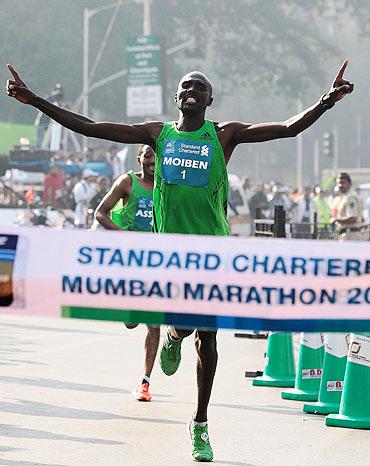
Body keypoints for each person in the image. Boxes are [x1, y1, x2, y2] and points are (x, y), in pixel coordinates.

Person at [6, 59, 354, 462]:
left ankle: (200, 423)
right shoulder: (159, 134)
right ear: (177, 98)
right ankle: (173, 336)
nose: (191, 90)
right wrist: (35, 102)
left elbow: (288, 128)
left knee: (208, 336)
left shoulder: (225, 136)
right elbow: (89, 126)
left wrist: (327, 100)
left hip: (213, 254)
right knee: (189, 327)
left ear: (210, 100)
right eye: (185, 86)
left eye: (199, 87)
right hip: (168, 255)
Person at [95, 144, 159, 401]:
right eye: (148, 155)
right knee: (132, 321)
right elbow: (100, 213)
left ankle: (145, 382)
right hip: (131, 261)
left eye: (156, 155)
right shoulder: (128, 182)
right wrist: (123, 235)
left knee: (154, 324)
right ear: (140, 158)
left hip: (157, 262)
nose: (153, 160)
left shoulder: (169, 186)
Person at [332, 172, 364, 240]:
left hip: (351, 234)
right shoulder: (344, 197)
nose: (340, 185)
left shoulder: (350, 197)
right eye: (339, 183)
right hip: (346, 233)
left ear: (350, 184)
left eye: (343, 183)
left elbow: (353, 218)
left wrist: (336, 220)